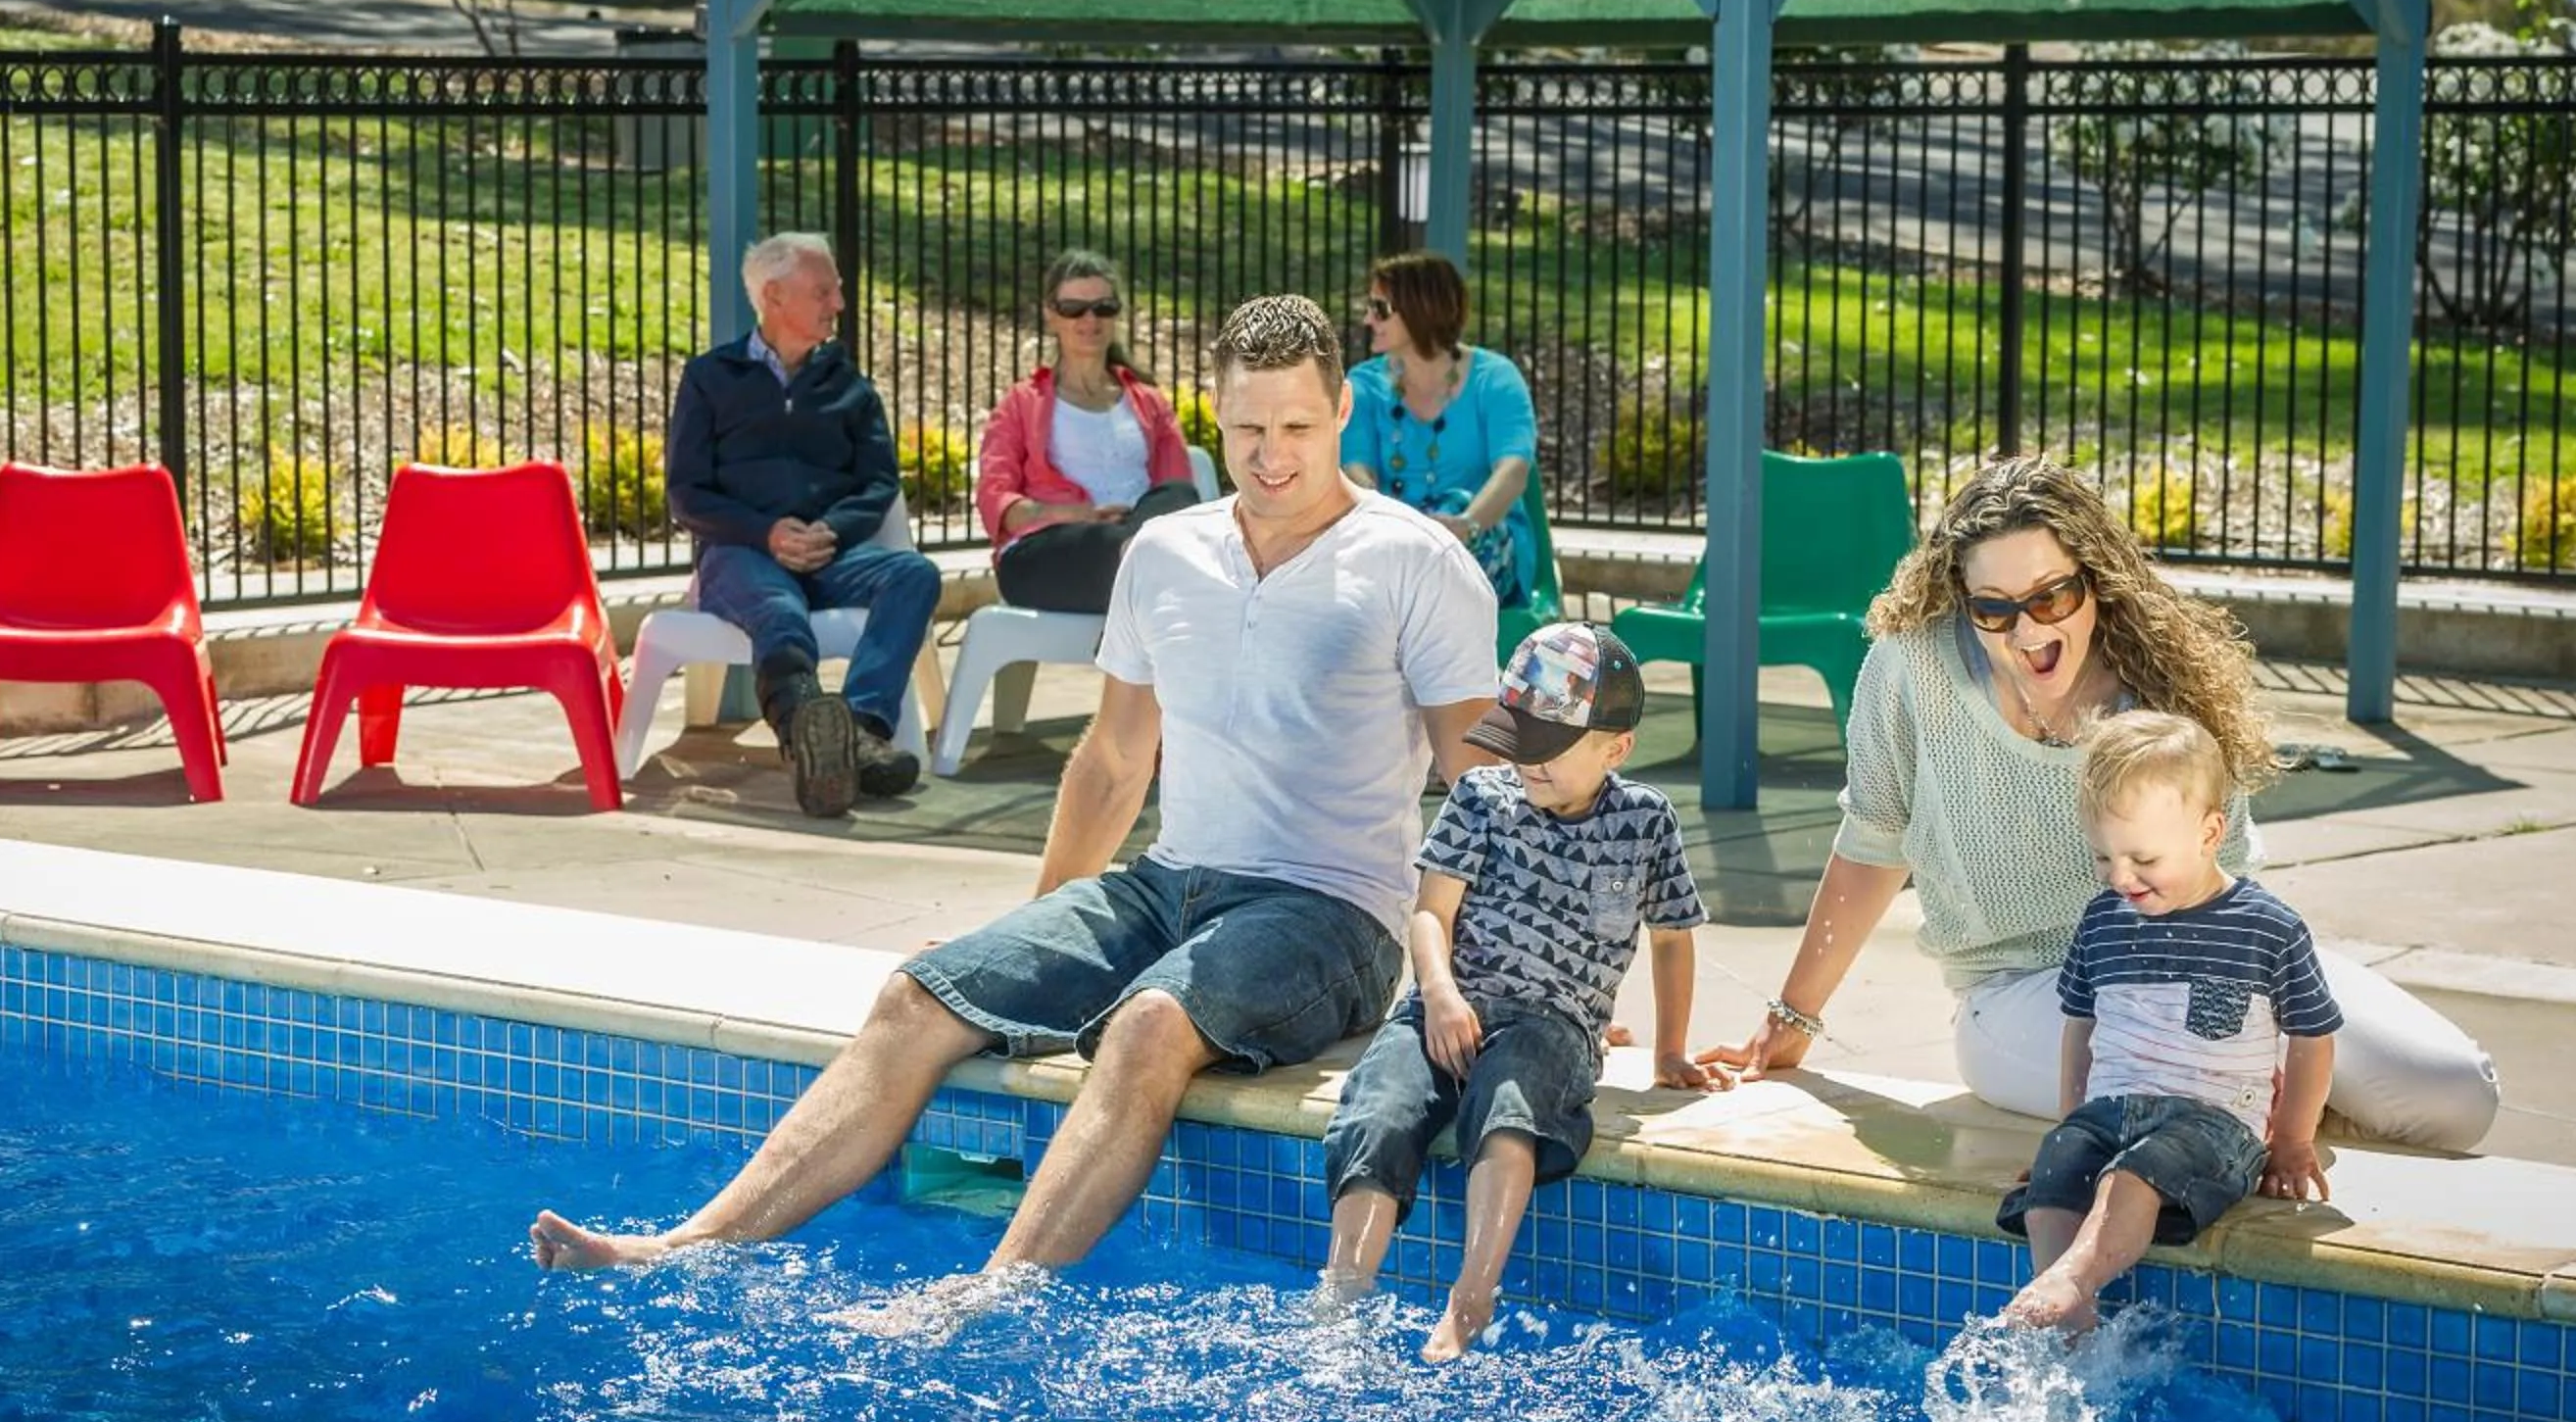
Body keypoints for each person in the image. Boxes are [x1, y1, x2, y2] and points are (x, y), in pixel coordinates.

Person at [534, 294, 1500, 1283]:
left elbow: (1483, 786)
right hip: (1165, 886)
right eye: (1249, 428)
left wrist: (1498, 973)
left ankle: (984, 1296)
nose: (1272, 455)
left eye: (1297, 426)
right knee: (916, 997)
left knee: (1149, 1024)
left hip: (1330, 911)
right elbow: (1114, 759)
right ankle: (681, 1246)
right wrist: (1035, 935)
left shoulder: (1417, 563)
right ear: (1215, 412)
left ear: (1342, 410)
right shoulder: (1168, 553)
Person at [1701, 454, 2498, 1152]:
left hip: (2198, 957)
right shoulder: (1912, 668)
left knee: (2456, 1094)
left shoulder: (2164, 685)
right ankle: (2257, 1118)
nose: (2024, 631)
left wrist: (2259, 1027)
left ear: (2095, 581)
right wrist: (1792, 1019)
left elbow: (2224, 883)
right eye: (1993, 608)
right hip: (2023, 991)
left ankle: (2274, 1118)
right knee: (2207, 1086)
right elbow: (1873, 842)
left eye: (2050, 598)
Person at [1320, 622, 1725, 1361]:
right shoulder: (1481, 797)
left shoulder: (1645, 822)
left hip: (1552, 1024)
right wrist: (1439, 994)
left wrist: (1670, 1051)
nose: (1527, 763)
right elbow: (1431, 914)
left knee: (1511, 1110)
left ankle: (1471, 1297)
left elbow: (1673, 939)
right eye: (1518, 741)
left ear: (1615, 749)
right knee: (1377, 1110)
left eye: (1549, 747)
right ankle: (1343, 1297)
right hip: (1447, 1006)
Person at [2000, 711, 2339, 1335]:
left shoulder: (2265, 928)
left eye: (2144, 858)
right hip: (2111, 1111)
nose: (2120, 877)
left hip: (2214, 1124)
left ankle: (2071, 1281)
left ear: (2210, 833)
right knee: (2054, 1178)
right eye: (2104, 856)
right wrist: (2071, 1125)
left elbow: (2312, 1037)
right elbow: (2081, 1028)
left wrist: (2293, 1140)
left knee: (2135, 1174)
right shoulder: (2103, 919)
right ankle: (2069, 1325)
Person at [664, 232, 941, 819]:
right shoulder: (711, 378)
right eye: (823, 291)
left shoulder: (850, 388)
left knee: (913, 575)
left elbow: (879, 483)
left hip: (832, 554)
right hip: (741, 554)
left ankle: (858, 732)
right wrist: (765, 533)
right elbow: (686, 492)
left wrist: (831, 530)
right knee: (779, 609)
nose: (838, 302)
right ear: (773, 296)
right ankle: (802, 733)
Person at [975, 250, 1204, 614]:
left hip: (1139, 537)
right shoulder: (1020, 404)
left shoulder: (1150, 403)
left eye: (1103, 308)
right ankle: (1137, 576)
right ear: (1051, 314)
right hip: (1049, 550)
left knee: (1176, 497)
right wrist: (1071, 513)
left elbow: (1176, 492)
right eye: (1074, 309)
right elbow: (995, 499)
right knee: (1140, 552)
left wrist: (1136, 527)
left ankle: (1134, 570)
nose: (1090, 319)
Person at [1340, 251, 1539, 611]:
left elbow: (1513, 471)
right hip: (1394, 545)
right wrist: (1395, 527)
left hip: (1480, 540)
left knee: (1455, 507)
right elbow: (1356, 472)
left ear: (1420, 309)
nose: (1368, 319)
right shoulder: (1362, 384)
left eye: (1380, 308)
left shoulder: (1495, 378)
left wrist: (1467, 525)